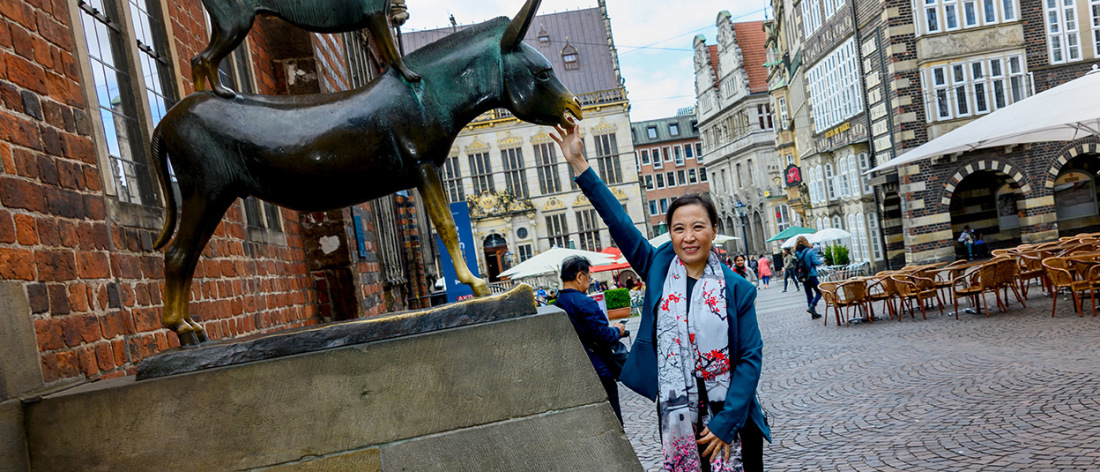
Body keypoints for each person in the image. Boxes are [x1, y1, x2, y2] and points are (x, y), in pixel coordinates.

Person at [552, 121, 770, 472]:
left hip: (731, 420)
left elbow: (749, 359)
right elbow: (619, 222)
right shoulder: (657, 268)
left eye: (698, 226)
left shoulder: (737, 288)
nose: (688, 237)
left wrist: (724, 423)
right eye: (679, 228)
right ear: (669, 234)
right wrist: (580, 164)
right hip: (680, 418)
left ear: (714, 230)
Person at [554, 256, 628, 424]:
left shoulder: (558, 303)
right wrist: (618, 330)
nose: (590, 281)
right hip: (598, 367)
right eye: (588, 277)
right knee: (613, 420)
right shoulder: (585, 302)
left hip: (575, 369)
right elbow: (603, 336)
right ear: (579, 277)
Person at [795, 236, 824, 319]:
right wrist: (821, 261)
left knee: (808, 294)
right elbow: (815, 262)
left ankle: (813, 313)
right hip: (811, 274)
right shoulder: (810, 251)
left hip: (803, 276)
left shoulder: (797, 252)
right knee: (819, 292)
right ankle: (812, 306)